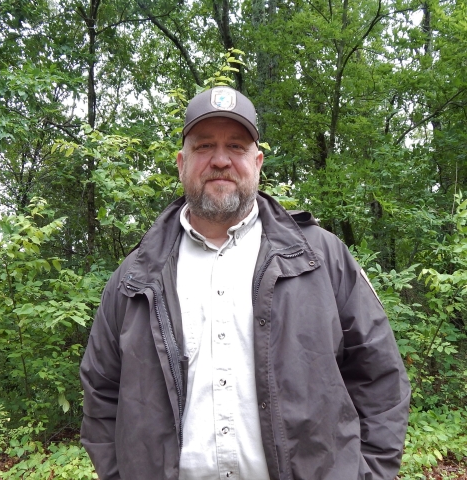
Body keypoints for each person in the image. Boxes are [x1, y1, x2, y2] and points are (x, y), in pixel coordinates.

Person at [80, 86, 411, 480]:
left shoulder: (322, 258)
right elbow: (101, 395)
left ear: (257, 162)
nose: (220, 160)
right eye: (204, 146)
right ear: (181, 163)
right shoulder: (135, 277)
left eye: (235, 146)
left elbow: (381, 379)